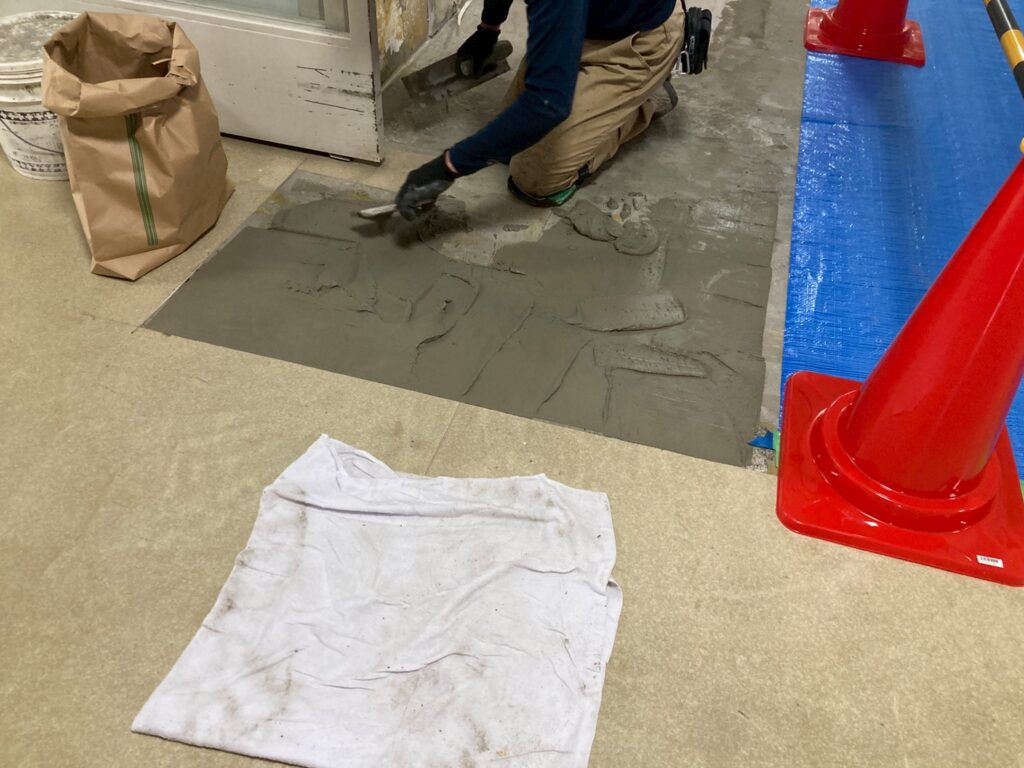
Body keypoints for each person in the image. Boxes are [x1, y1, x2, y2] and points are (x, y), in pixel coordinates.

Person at [395, 0, 685, 219]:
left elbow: (547, 105)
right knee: (509, 142)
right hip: (581, 24)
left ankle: (646, 100)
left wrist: (447, 167)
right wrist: (488, 28)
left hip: (636, 39)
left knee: (535, 178)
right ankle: (604, 93)